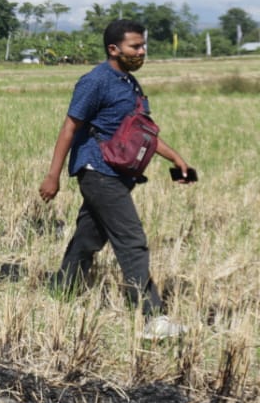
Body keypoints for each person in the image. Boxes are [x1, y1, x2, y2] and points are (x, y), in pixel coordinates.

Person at [39, 19, 193, 340]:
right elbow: (69, 128)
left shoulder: (129, 83)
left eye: (142, 45)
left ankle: (61, 290)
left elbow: (140, 133)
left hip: (116, 174)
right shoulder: (95, 82)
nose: (141, 51)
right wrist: (53, 175)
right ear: (114, 49)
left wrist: (177, 159)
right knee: (131, 239)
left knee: (88, 238)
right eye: (135, 46)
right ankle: (152, 317)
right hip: (97, 172)